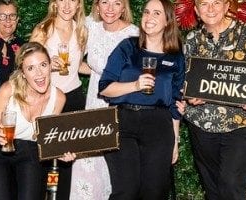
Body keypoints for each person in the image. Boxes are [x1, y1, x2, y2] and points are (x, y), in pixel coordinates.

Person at [180, 0, 246, 199]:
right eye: (204, 4)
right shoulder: (191, 39)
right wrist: (188, 94)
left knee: (231, 186)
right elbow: (183, 78)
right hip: (202, 124)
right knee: (213, 188)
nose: (211, 8)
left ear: (227, 7)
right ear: (197, 11)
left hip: (244, 124)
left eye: (216, 2)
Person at [98, 0, 185, 199]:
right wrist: (135, 86)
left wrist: (175, 140)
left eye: (156, 13)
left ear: (167, 21)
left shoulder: (176, 56)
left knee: (154, 192)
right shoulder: (127, 47)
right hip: (123, 122)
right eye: (146, 12)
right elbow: (104, 88)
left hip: (158, 125)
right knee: (126, 191)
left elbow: (175, 102)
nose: (149, 17)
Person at [0, 42, 76, 200]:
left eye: (43, 65)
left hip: (30, 151)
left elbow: (47, 137)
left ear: (50, 66)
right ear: (23, 73)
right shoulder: (8, 90)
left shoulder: (59, 98)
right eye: (31, 68)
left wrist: (62, 152)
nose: (39, 73)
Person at [69, 0, 138, 199]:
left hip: (119, 107)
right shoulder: (90, 27)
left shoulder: (134, 35)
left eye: (117, 3)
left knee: (117, 174)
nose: (110, 8)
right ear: (97, 6)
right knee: (86, 167)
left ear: (124, 8)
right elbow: (80, 63)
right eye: (105, 2)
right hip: (92, 106)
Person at [29, 0, 89, 198]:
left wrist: (105, 72)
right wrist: (46, 65)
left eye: (73, 0)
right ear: (54, 3)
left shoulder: (82, 30)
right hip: (48, 100)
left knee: (67, 161)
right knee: (44, 160)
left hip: (74, 100)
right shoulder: (43, 29)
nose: (67, 5)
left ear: (79, 4)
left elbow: (77, 66)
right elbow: (25, 65)